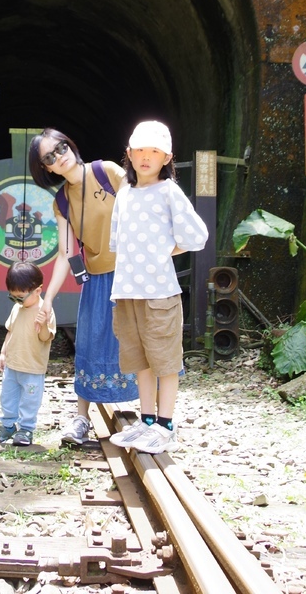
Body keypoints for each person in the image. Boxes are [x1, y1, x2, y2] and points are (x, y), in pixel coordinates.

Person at [28, 129, 138, 446]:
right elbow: (66, 253)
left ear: (70, 145)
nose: (59, 155)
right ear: (46, 169)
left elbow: (141, 212)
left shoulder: (108, 172)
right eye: (49, 157)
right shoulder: (62, 201)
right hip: (97, 278)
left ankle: (150, 418)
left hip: (131, 274)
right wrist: (47, 300)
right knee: (90, 344)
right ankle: (81, 419)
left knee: (139, 341)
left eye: (60, 147)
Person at [108, 120, 208, 454]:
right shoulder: (124, 192)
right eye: (140, 150)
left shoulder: (169, 191)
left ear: (167, 157)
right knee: (140, 360)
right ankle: (146, 421)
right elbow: (118, 242)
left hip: (159, 291)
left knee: (165, 360)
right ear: (129, 154)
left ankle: (166, 426)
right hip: (127, 291)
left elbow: (196, 236)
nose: (146, 157)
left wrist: (165, 250)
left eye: (155, 151)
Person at [0, 261, 56, 447]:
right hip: (12, 364)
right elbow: (10, 331)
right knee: (7, 396)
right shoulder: (17, 308)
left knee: (30, 400)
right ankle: (8, 425)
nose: (17, 301)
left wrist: (43, 323)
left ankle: (26, 429)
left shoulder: (45, 310)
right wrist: (3, 353)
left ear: (37, 290)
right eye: (13, 298)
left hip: (32, 368)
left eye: (20, 297)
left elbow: (46, 337)